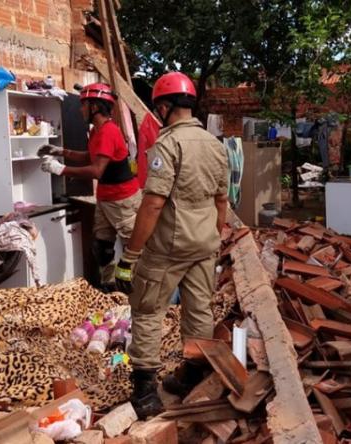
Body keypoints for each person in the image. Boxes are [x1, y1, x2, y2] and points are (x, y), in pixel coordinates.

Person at [114, 72, 229, 419]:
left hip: (169, 246)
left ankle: (147, 391)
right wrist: (213, 237)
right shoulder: (215, 145)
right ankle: (192, 376)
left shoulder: (167, 146)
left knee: (147, 309)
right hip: (205, 242)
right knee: (198, 311)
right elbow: (222, 201)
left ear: (163, 106)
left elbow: (152, 204)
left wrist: (129, 257)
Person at [39, 83, 141, 291]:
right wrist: (60, 151)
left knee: (135, 251)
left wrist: (61, 170)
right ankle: (109, 288)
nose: (80, 109)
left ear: (94, 107)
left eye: (83, 105)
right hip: (106, 198)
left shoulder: (108, 132)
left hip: (123, 201)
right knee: (102, 247)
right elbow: (91, 156)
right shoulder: (97, 131)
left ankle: (138, 294)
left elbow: (96, 170)